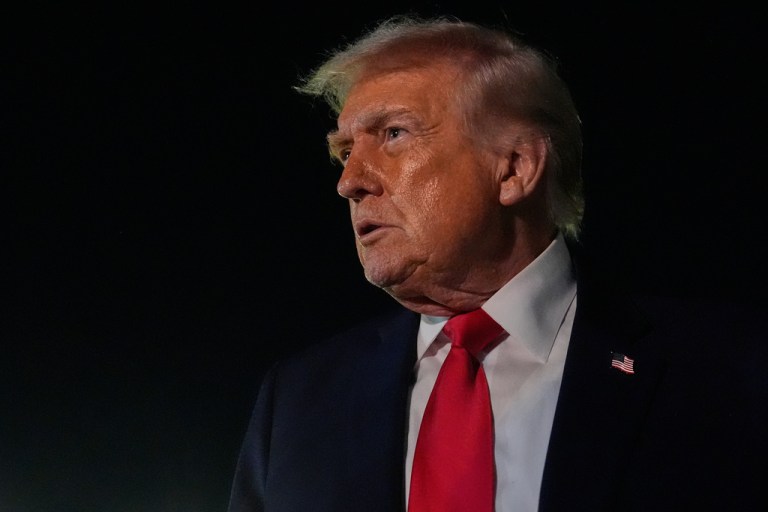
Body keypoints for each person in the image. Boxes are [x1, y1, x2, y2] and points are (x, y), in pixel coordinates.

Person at [227, 14, 767, 512]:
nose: (350, 181)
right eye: (345, 151)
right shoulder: (298, 402)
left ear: (514, 168)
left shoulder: (730, 370)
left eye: (393, 134)